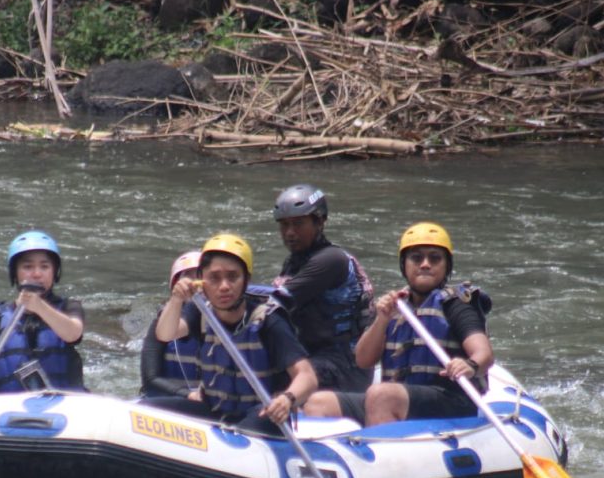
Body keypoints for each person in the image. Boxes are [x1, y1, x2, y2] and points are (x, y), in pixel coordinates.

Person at [304, 222, 492, 426]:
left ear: (447, 265)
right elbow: (363, 360)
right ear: (404, 265)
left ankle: (381, 452)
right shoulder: (396, 306)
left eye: (435, 258)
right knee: (319, 402)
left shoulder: (456, 305)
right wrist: (382, 319)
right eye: (416, 258)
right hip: (400, 399)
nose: (425, 264)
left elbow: (484, 354)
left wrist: (469, 365)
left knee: (382, 395)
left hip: (450, 401)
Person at [150, 233, 318, 435]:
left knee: (250, 425)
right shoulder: (200, 311)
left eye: (233, 277)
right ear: (202, 281)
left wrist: (286, 399)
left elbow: (307, 376)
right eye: (214, 278)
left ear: (246, 279)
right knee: (147, 409)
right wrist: (177, 299)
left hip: (261, 414)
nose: (224, 286)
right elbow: (165, 334)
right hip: (213, 410)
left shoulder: (268, 320)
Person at [270, 184, 374, 392]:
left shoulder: (331, 260)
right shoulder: (293, 263)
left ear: (320, 222)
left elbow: (275, 301)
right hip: (311, 355)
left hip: (345, 364)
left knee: (270, 379)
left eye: (298, 224)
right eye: (284, 225)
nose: (290, 233)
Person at [0, 230, 86, 394]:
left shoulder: (69, 307)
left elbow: (73, 333)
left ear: (54, 272)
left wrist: (39, 306)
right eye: (28, 267)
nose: (37, 274)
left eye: (44, 266)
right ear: (15, 273)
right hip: (10, 404)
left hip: (62, 402)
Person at [140, 251, 202, 399]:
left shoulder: (221, 321)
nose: (193, 284)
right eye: (188, 277)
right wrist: (189, 395)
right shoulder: (161, 323)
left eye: (199, 276)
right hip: (172, 400)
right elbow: (150, 379)